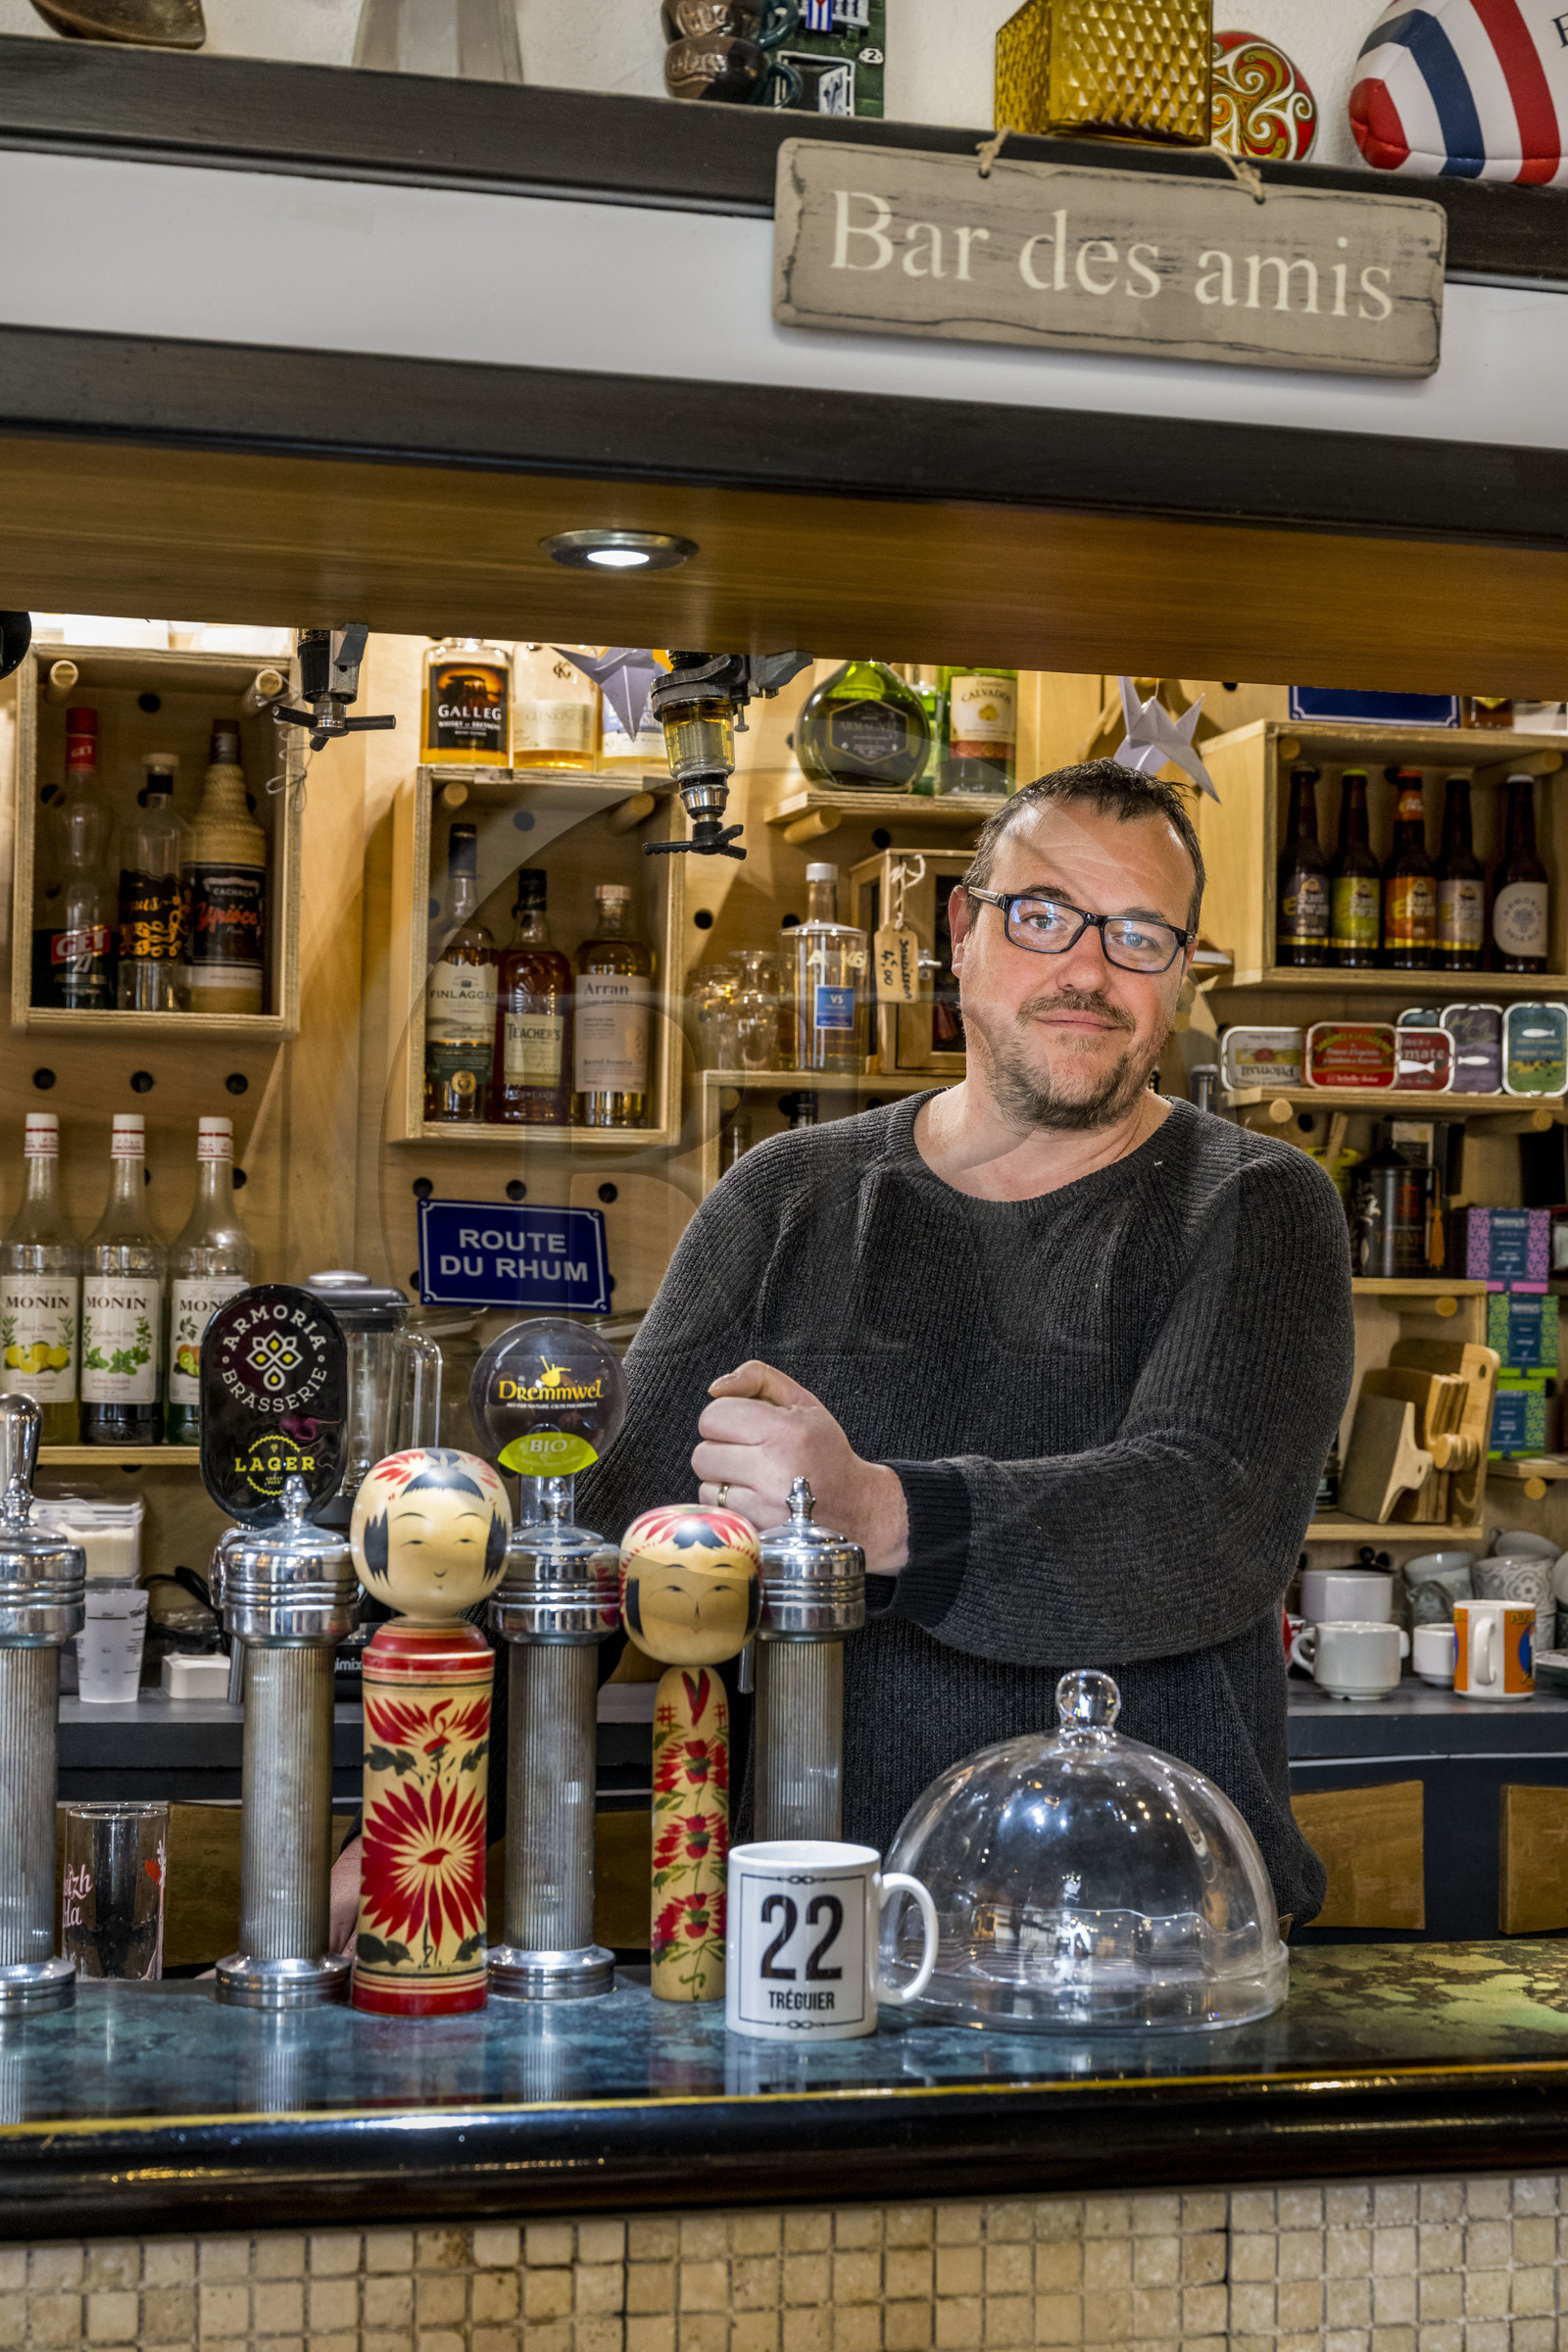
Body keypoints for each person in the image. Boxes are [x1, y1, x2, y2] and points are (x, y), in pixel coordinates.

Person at [578, 759, 1352, 1928]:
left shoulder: (1255, 1204)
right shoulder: (787, 1198)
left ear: (1181, 971)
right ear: (961, 932)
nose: (1087, 971)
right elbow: (596, 1545)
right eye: (1043, 916)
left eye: (1139, 935)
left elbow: (1206, 1518)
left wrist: (880, 1513)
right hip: (827, 1930)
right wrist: (407, 1825)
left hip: (1156, 1940)